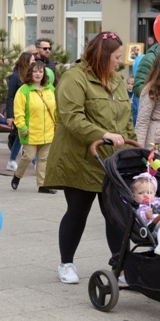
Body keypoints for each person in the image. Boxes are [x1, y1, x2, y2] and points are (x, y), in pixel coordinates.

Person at [44, 32, 136, 284]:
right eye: (116, 58)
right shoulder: (75, 78)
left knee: (115, 214)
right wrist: (102, 134)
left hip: (111, 162)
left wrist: (133, 147)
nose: (120, 62)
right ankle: (66, 263)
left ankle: (121, 267)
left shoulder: (116, 80)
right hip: (81, 159)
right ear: (102, 56)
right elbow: (71, 116)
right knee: (77, 210)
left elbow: (125, 119)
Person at [11, 61, 56, 193]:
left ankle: (42, 185)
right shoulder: (23, 90)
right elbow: (18, 111)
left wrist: (58, 123)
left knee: (43, 159)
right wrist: (22, 126)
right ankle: (17, 175)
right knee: (29, 156)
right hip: (29, 132)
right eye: (35, 71)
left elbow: (56, 109)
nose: (38, 74)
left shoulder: (50, 89)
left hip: (48, 131)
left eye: (41, 71)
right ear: (30, 73)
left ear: (44, 74)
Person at [5, 52, 36, 172]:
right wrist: (10, 115)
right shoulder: (15, 76)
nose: (34, 63)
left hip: (28, 111)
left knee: (21, 136)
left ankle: (13, 161)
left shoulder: (29, 76)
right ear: (26, 62)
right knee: (24, 135)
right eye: (32, 61)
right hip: (19, 112)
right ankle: (33, 161)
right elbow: (10, 96)